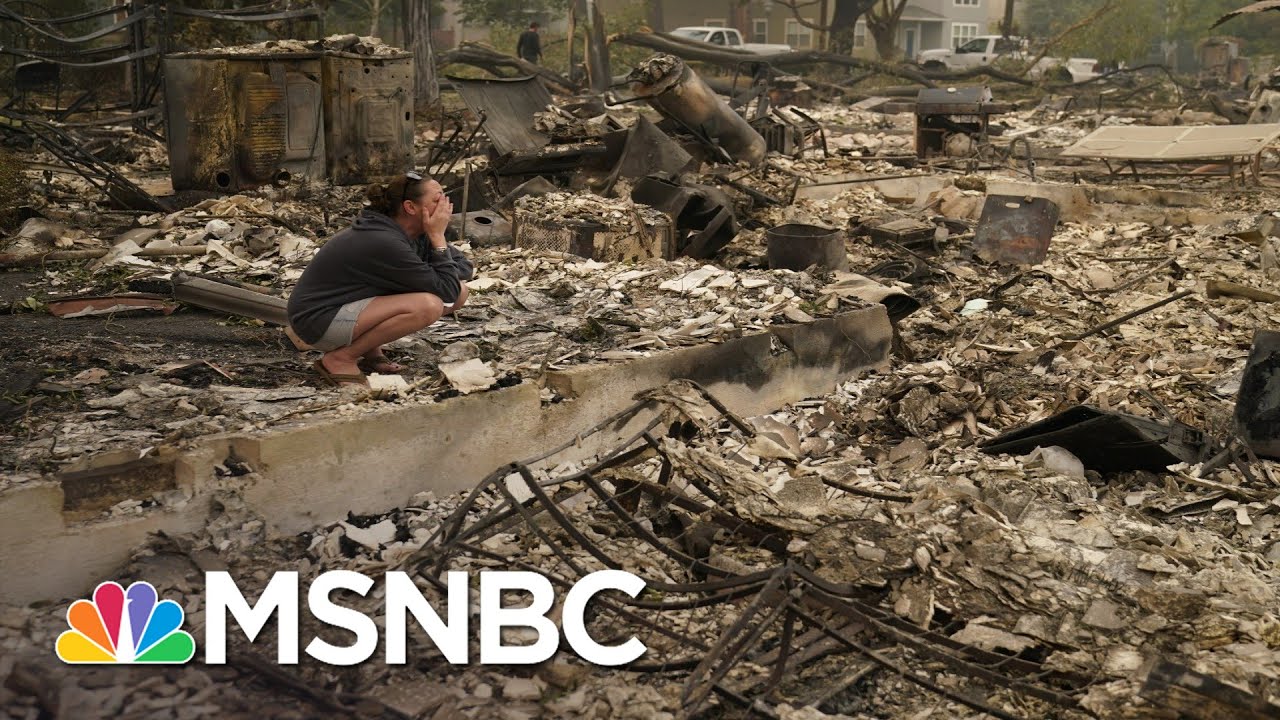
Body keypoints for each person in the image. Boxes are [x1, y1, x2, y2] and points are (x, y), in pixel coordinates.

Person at [287, 172, 473, 386]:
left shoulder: (416, 233)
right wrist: (438, 240)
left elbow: (464, 267)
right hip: (317, 320)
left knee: (460, 291)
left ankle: (370, 351)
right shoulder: (383, 240)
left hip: (347, 310)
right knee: (428, 305)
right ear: (410, 207)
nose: (445, 206)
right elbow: (446, 291)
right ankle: (341, 358)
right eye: (437, 200)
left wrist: (436, 251)